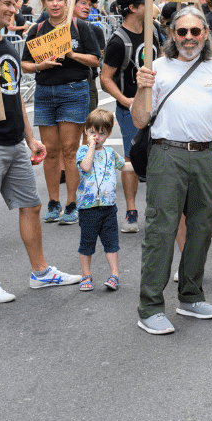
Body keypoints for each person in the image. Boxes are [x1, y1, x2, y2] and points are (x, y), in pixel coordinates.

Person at [0, 0, 81, 303]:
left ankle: (41, 272)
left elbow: (14, 96)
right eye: (5, 4)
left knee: (32, 206)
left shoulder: (8, 47)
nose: (12, 9)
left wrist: (30, 137)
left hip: (14, 143)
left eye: (13, 3)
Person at [132, 5, 212, 335]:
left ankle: (191, 296)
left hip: (209, 156)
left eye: (196, 31)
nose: (190, 38)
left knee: (203, 224)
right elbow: (139, 120)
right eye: (183, 32)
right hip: (167, 155)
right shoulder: (155, 69)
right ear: (172, 34)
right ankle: (150, 307)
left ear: (206, 34)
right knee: (161, 230)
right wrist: (141, 87)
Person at [22, 0, 102, 226]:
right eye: (50, 0)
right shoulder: (36, 30)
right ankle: (53, 202)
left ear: (66, 3)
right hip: (45, 92)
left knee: (69, 149)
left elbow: (95, 59)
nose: (55, 4)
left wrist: (71, 55)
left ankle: (72, 204)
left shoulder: (80, 27)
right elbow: (25, 63)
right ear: (44, 3)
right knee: (50, 150)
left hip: (74, 91)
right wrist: (40, 66)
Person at [99, 0, 164, 233]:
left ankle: (156, 209)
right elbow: (105, 78)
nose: (151, 6)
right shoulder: (118, 41)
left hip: (158, 107)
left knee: (159, 158)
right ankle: (130, 211)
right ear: (134, 8)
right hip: (130, 110)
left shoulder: (155, 31)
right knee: (131, 159)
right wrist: (125, 101)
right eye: (146, 2)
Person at [75, 108, 122, 293]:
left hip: (108, 206)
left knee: (111, 242)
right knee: (87, 243)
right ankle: (86, 275)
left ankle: (114, 274)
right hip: (88, 207)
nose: (96, 137)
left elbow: (123, 165)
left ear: (108, 134)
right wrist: (91, 146)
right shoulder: (83, 151)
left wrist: (141, 167)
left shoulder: (110, 153)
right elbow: (85, 167)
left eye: (101, 134)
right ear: (86, 131)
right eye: (92, 132)